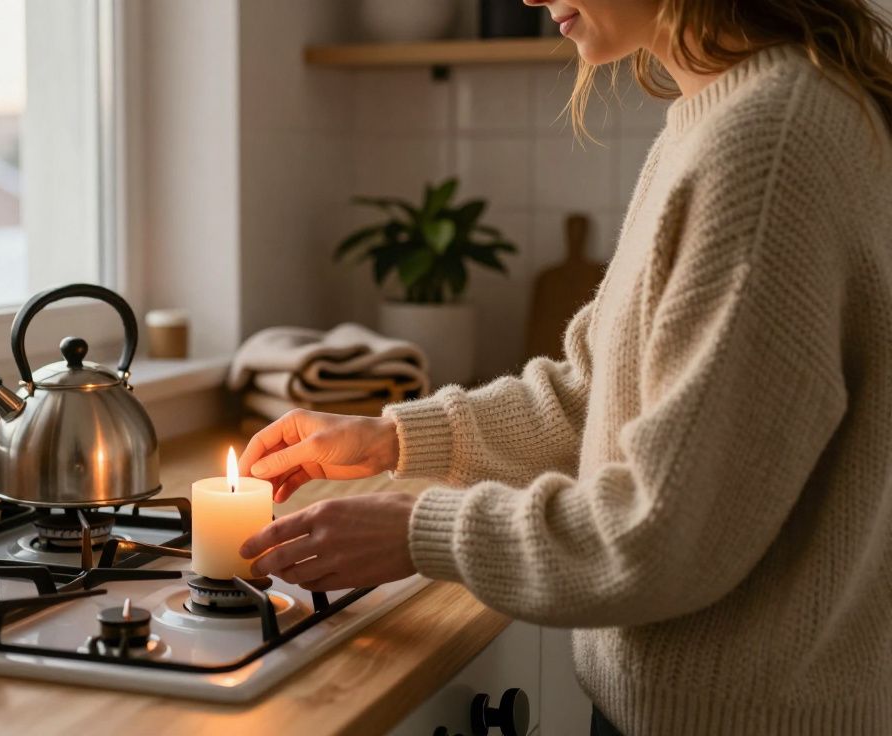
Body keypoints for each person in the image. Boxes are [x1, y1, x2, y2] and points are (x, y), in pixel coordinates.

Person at [237, 1, 892, 734]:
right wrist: (393, 439)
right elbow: (597, 391)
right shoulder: (729, 113)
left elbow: (660, 535)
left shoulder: (768, 144)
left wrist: (420, 530)